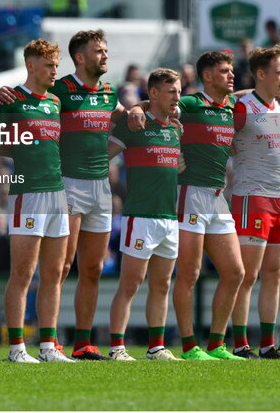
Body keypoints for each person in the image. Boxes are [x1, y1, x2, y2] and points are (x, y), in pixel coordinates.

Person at [128, 50, 246, 360]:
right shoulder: (192, 103)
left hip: (218, 198)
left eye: (231, 70)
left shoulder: (232, 104)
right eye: (224, 71)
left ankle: (217, 344)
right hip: (189, 194)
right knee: (189, 274)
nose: (231, 75)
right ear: (207, 77)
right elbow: (160, 104)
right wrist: (137, 108)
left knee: (235, 272)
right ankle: (190, 346)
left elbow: (249, 93)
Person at [0, 39, 73, 363]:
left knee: (54, 273)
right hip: (27, 194)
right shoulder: (12, 99)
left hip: (57, 193)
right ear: (31, 66)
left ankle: (47, 346)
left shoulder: (55, 101)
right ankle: (16, 348)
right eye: (49, 65)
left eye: (56, 65)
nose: (55, 70)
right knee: (23, 273)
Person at [47, 30, 121, 360]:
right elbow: (31, 102)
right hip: (67, 183)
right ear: (80, 57)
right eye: (98, 51)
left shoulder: (108, 91)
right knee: (61, 267)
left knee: (92, 269)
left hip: (100, 188)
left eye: (106, 50)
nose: (105, 55)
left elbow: (123, 113)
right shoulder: (60, 89)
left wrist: (139, 108)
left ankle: (83, 343)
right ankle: (50, 340)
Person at [106, 68, 183, 361]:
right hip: (140, 216)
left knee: (162, 284)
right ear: (153, 94)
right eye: (171, 91)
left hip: (168, 216)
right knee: (130, 283)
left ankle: (157, 347)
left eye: (178, 90)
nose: (177, 96)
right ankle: (116, 348)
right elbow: (104, 156)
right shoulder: (134, 125)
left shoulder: (175, 127)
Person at [229, 45, 280, 360]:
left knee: (274, 274)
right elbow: (221, 122)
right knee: (247, 274)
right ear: (260, 74)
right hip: (251, 197)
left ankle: (268, 343)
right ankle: (240, 343)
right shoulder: (243, 106)